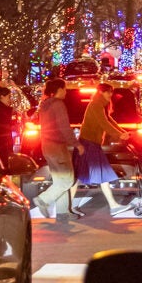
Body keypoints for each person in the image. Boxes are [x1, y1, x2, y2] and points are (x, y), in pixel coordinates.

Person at [77, 82, 130, 215]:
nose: (111, 95)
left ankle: (67, 206)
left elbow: (109, 120)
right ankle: (113, 206)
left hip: (89, 144)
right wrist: (120, 135)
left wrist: (122, 132)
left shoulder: (100, 105)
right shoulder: (96, 105)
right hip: (89, 144)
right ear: (101, 92)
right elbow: (104, 123)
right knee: (101, 173)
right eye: (108, 92)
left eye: (111, 92)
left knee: (80, 175)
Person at [31, 77, 80, 220]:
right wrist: (76, 144)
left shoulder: (45, 105)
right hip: (58, 147)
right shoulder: (58, 104)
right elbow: (64, 127)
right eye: (64, 89)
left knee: (59, 181)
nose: (66, 92)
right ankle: (43, 200)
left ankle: (63, 213)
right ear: (58, 90)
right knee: (67, 181)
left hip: (47, 146)